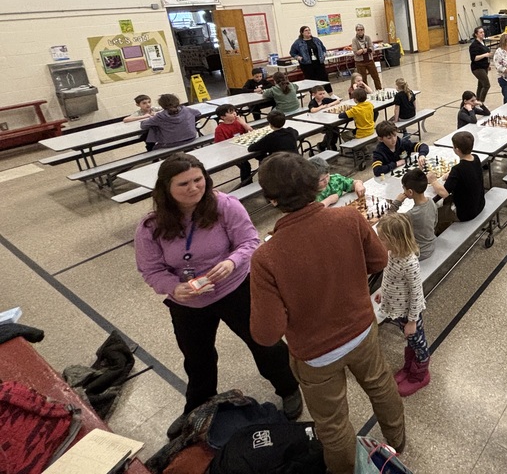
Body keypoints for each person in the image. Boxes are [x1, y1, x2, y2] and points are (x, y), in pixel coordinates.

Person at [249, 153, 405, 474]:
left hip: (316, 353)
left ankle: (347, 470)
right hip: (361, 330)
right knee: (381, 385)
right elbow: (379, 262)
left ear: (271, 199)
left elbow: (266, 333)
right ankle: (397, 443)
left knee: (333, 424)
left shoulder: (266, 256)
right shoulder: (349, 219)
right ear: (315, 184)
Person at [134, 154, 301, 438]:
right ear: (165, 189)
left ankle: (288, 388)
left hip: (236, 288)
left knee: (265, 343)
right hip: (187, 301)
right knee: (197, 359)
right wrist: (173, 287)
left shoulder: (225, 205)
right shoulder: (150, 227)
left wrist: (232, 261)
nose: (194, 188)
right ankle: (197, 407)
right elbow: (150, 270)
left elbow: (249, 241)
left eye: (198, 180)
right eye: (183, 183)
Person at [373, 213, 431, 396]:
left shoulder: (409, 263)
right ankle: (409, 368)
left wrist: (413, 322)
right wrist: (383, 292)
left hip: (409, 313)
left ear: (394, 240)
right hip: (396, 308)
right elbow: (389, 276)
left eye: (382, 239)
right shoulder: (391, 253)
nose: (379, 242)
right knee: (410, 341)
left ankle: (420, 375)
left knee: (418, 342)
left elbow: (416, 294)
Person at [428, 131, 485, 233]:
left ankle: (437, 234)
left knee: (434, 211)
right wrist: (451, 174)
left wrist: (433, 181)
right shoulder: (475, 158)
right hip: (479, 204)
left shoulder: (458, 170)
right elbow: (465, 171)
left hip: (465, 213)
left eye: (453, 147)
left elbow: (444, 193)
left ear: (457, 150)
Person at [389, 169, 438, 261]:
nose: (403, 191)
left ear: (410, 192)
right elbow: (435, 222)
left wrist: (397, 202)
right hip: (431, 244)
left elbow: (387, 221)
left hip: (419, 253)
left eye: (404, 188)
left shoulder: (410, 215)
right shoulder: (431, 201)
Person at [214, 104, 253, 184]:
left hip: (243, 146)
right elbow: (220, 145)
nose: (234, 113)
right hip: (232, 151)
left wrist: (244, 124)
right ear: (223, 117)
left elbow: (251, 132)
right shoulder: (220, 129)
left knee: (263, 157)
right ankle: (246, 185)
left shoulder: (238, 122)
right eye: (231, 113)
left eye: (234, 111)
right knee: (245, 165)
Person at [289, 26, 331, 92]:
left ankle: (330, 93)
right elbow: (292, 53)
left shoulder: (316, 40)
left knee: (324, 78)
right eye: (306, 30)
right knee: (311, 80)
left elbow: (323, 48)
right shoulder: (298, 42)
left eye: (309, 30)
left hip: (319, 63)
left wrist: (324, 54)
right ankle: (314, 94)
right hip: (307, 65)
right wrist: (298, 57)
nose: (308, 31)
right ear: (302, 33)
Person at [307, 85, 342, 151]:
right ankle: (323, 145)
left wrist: (330, 104)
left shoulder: (325, 100)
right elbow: (312, 110)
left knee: (336, 129)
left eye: (323, 93)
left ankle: (332, 143)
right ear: (314, 95)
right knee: (330, 132)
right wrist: (321, 107)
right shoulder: (313, 102)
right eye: (320, 94)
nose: (322, 95)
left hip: (328, 120)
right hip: (318, 122)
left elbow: (338, 100)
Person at [351, 23, 382, 90]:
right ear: (356, 31)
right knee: (363, 79)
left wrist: (364, 50)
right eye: (358, 30)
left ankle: (379, 89)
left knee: (375, 76)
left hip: (369, 60)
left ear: (364, 30)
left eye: (361, 30)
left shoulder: (367, 38)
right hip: (360, 62)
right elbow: (356, 52)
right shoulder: (354, 40)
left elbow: (372, 48)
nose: (360, 31)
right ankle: (366, 92)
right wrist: (364, 50)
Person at [468, 26, 492, 103]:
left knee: (481, 85)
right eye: (480, 32)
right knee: (486, 85)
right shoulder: (474, 45)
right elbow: (474, 58)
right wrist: (485, 55)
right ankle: (481, 102)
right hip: (477, 68)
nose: (483, 34)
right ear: (476, 34)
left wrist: (488, 64)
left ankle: (477, 101)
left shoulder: (483, 42)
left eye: (483, 32)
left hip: (484, 67)